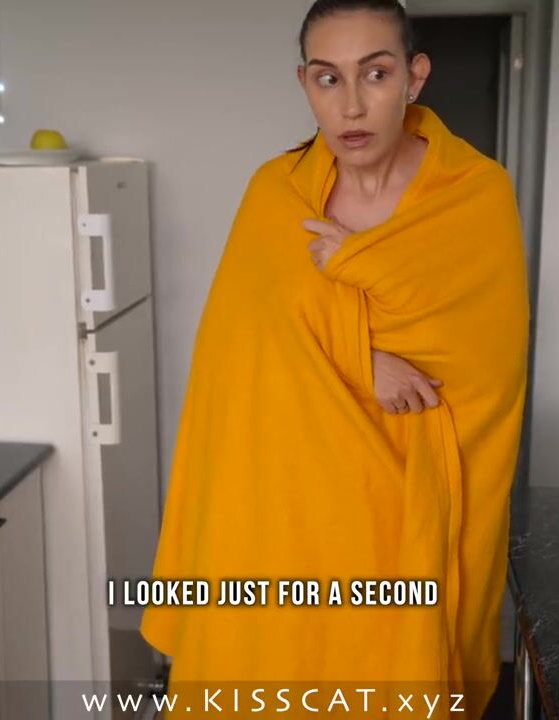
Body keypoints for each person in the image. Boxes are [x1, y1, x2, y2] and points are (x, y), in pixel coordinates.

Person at [140, 1, 529, 717]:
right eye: (328, 78)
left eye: (375, 74)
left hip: (405, 510)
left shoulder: (476, 195)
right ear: (305, 84)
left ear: (414, 77)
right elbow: (235, 353)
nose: (351, 105)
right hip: (292, 505)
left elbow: (491, 367)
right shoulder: (276, 192)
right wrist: (360, 360)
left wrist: (363, 268)